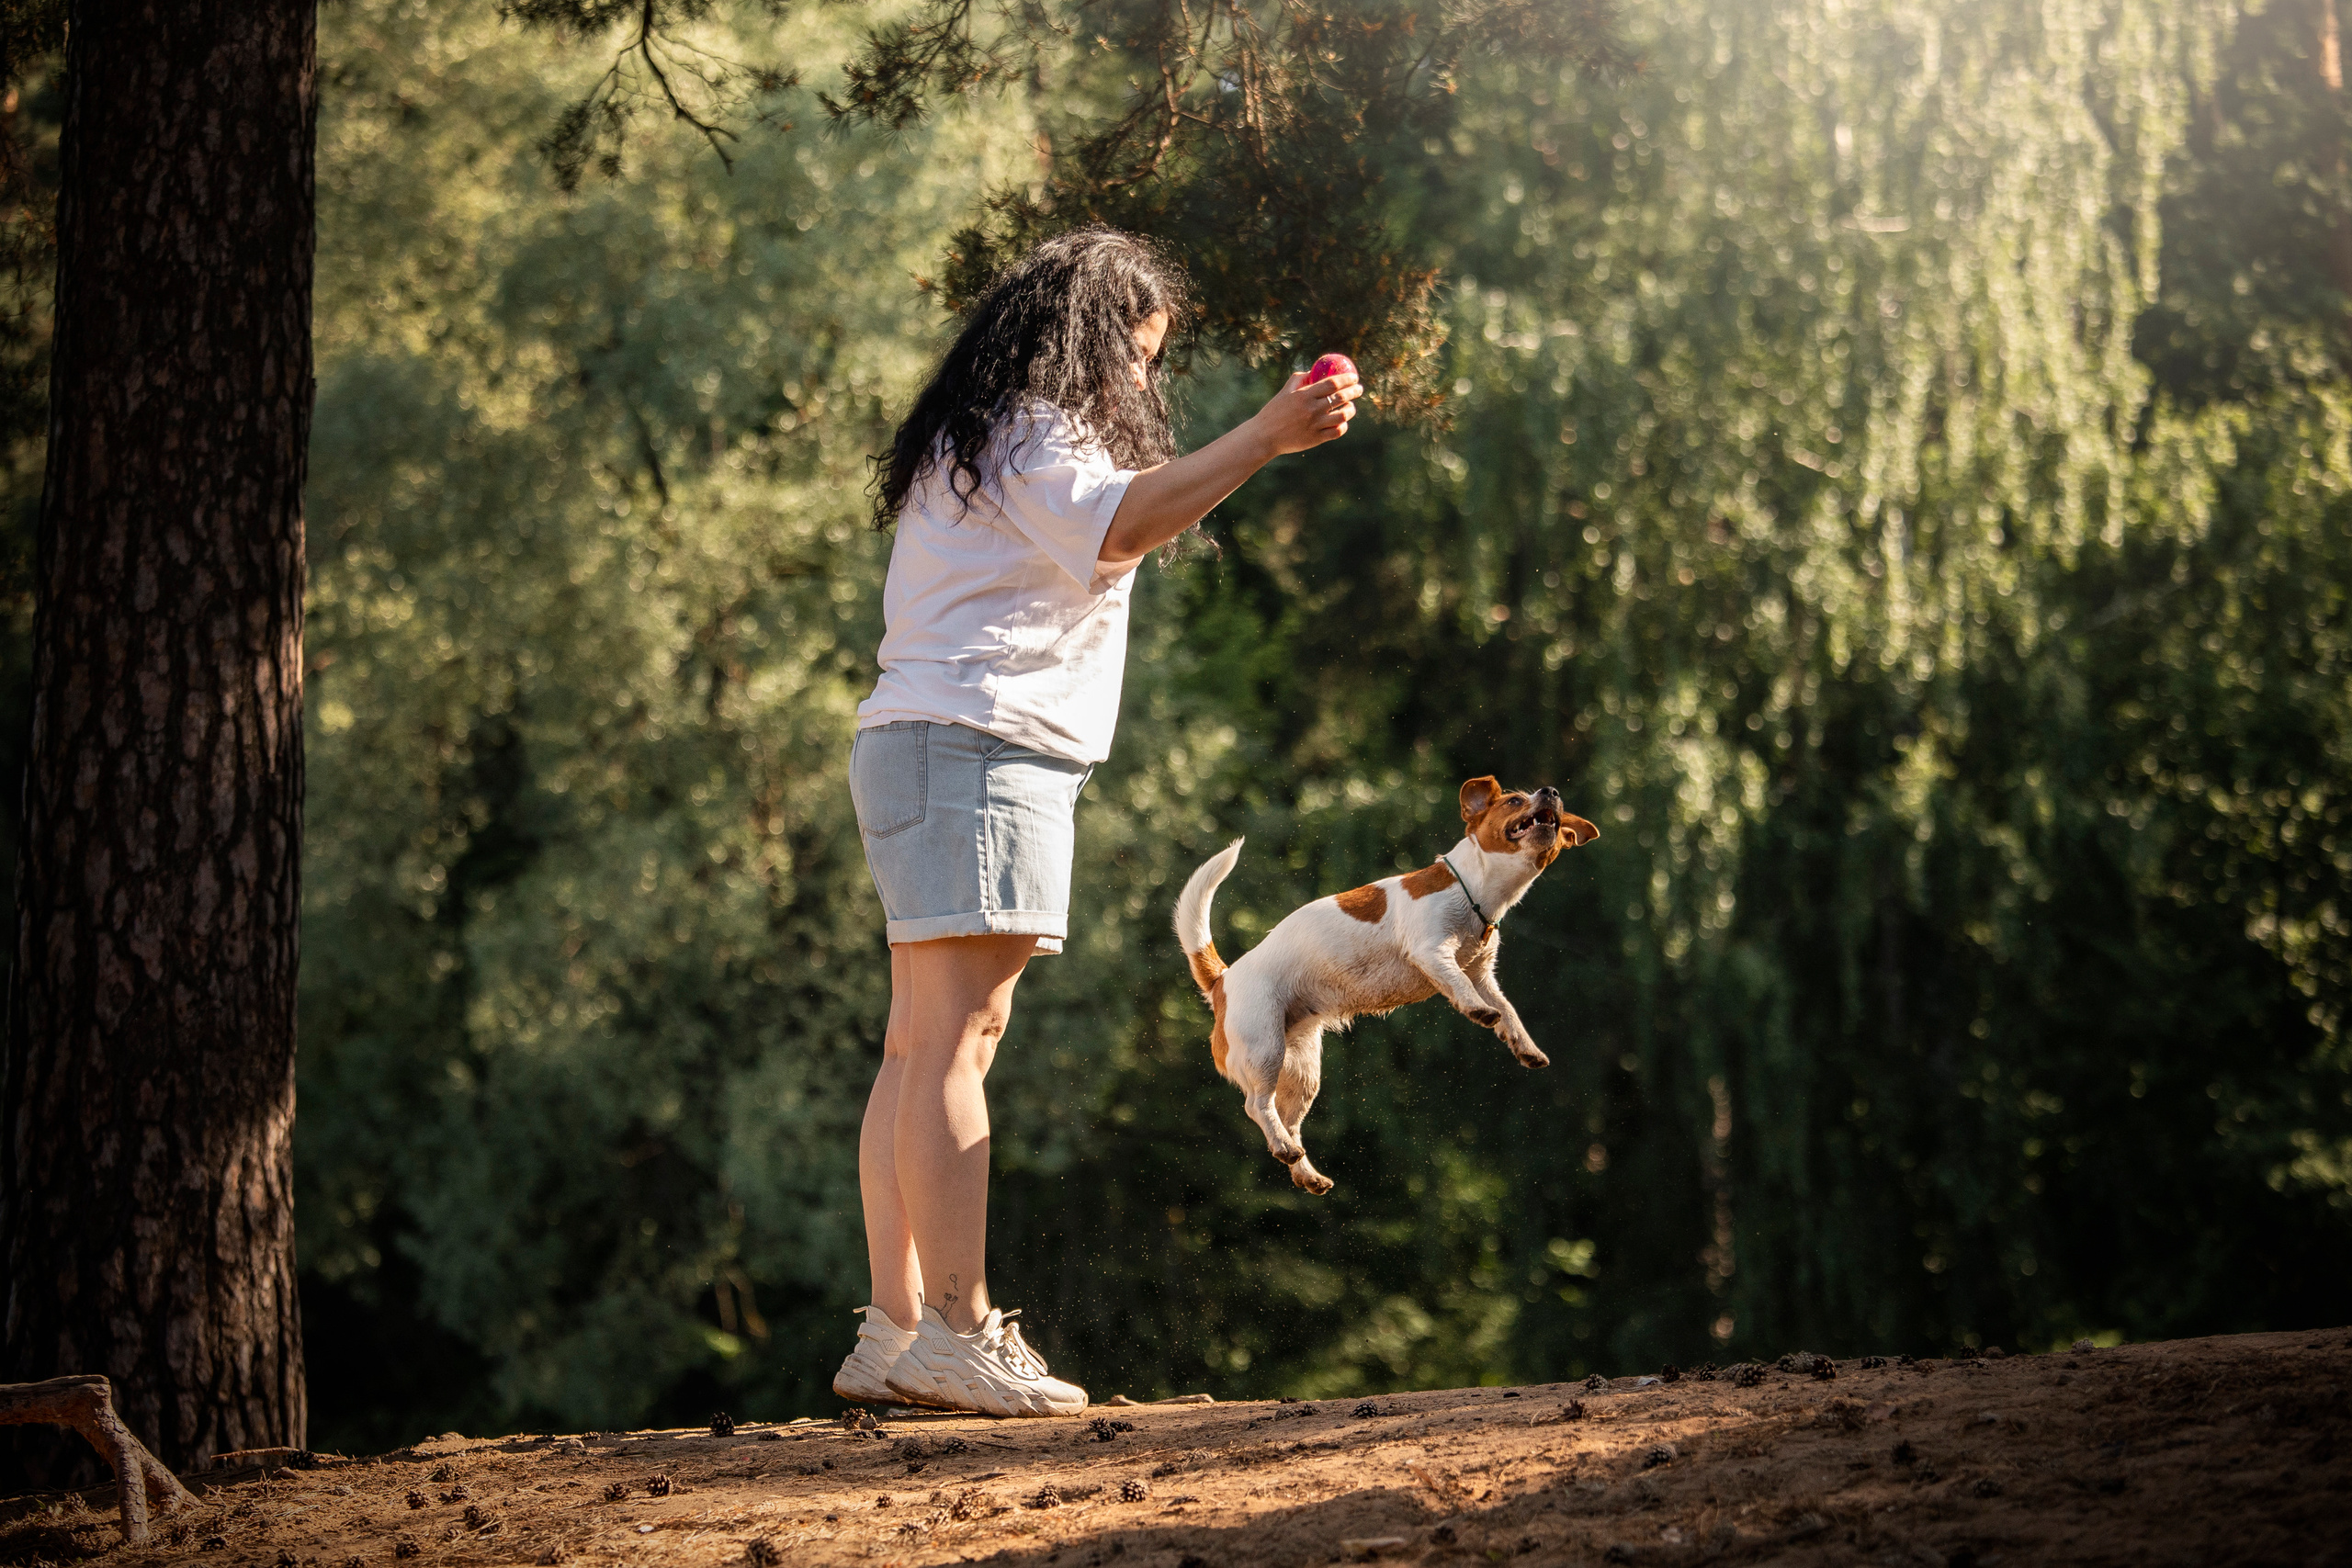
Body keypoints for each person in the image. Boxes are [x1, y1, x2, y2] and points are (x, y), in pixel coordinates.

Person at [833, 227, 1363, 1416]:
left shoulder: (982, 434)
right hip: (977, 748)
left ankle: (898, 1327)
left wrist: (1258, 448)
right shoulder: (1034, 430)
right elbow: (1122, 525)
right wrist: (1267, 437)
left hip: (928, 745)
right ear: (1079, 338)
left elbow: (1126, 518)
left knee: (922, 1044)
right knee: (960, 1041)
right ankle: (960, 1332)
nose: (1142, 377)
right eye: (1135, 349)